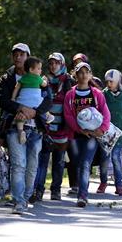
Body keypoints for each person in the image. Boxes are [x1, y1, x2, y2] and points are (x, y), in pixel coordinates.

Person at [0, 43, 52, 214]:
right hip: (15, 126)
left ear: (28, 57)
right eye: (16, 54)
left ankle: (27, 196)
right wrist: (21, 109)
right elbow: (3, 101)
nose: (18, 57)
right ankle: (18, 201)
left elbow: (48, 100)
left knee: (32, 165)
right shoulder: (7, 78)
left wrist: (34, 112)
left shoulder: (39, 77)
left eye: (22, 54)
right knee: (18, 164)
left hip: (36, 128)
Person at [63, 62, 111, 207]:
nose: (83, 75)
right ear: (75, 75)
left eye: (86, 72)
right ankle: (81, 188)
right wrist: (79, 129)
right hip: (76, 136)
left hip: (93, 136)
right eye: (80, 72)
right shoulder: (70, 94)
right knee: (77, 164)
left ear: (90, 74)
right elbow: (68, 115)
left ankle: (82, 195)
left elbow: (105, 113)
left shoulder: (97, 94)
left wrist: (101, 129)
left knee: (85, 164)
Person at [31, 53, 74, 202]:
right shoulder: (43, 80)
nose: (53, 66)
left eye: (56, 63)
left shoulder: (68, 80)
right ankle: (38, 190)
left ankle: (56, 190)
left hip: (62, 127)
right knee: (42, 160)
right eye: (51, 63)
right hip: (46, 127)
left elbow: (71, 103)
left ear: (62, 64)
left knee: (59, 161)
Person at [98, 69, 122, 197]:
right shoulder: (104, 94)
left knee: (115, 158)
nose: (109, 83)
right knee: (105, 159)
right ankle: (103, 182)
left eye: (111, 81)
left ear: (118, 81)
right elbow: (100, 110)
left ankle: (119, 186)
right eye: (107, 81)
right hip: (107, 132)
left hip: (120, 132)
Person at [10, 57, 52, 144]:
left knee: (20, 116)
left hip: (23, 101)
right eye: (39, 68)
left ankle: (20, 131)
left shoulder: (22, 78)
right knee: (42, 103)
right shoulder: (38, 78)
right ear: (31, 69)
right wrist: (44, 80)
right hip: (35, 101)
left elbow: (16, 88)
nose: (40, 71)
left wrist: (13, 98)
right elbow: (44, 85)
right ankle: (48, 115)